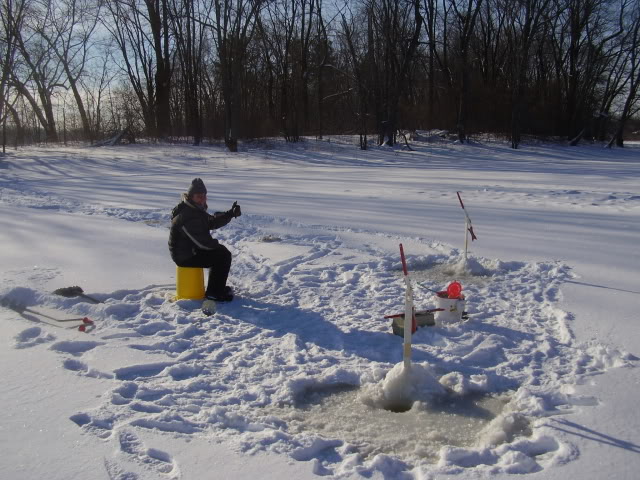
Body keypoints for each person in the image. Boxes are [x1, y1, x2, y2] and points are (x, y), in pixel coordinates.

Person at [169, 178, 241, 302]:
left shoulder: (194, 208)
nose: (202, 199)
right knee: (222, 256)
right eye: (198, 196)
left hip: (190, 250)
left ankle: (215, 289)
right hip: (184, 256)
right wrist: (217, 247)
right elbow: (203, 243)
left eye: (204, 196)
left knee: (220, 253)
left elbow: (210, 221)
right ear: (191, 196)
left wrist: (230, 214)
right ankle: (215, 293)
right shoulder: (187, 215)